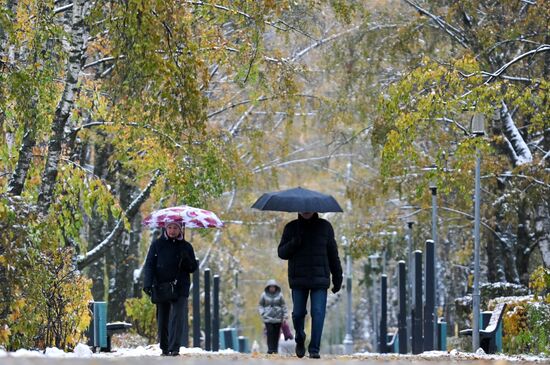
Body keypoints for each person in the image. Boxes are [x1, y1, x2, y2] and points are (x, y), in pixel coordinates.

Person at [278, 212, 343, 359]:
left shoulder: (325, 227)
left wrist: (337, 277)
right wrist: (295, 242)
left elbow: (333, 254)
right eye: (303, 209)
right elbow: (281, 253)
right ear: (298, 210)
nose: (306, 211)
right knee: (298, 313)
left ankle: (314, 349)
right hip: (298, 279)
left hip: (319, 279)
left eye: (309, 209)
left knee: (318, 312)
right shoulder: (291, 227)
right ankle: (300, 338)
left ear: (315, 209)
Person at [143, 220, 198, 356]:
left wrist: (186, 260)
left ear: (180, 230)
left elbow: (193, 268)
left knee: (178, 317)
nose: (172, 230)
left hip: (180, 287)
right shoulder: (157, 245)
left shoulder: (186, 246)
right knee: (162, 318)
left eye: (175, 228)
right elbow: (149, 264)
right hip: (161, 285)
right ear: (165, 229)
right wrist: (147, 284)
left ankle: (175, 348)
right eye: (170, 227)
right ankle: (165, 346)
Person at [257, 279, 288, 354]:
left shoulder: (280, 295)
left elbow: (284, 306)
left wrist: (285, 316)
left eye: (273, 287)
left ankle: (275, 349)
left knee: (276, 334)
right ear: (268, 287)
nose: (272, 288)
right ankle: (270, 349)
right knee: (270, 333)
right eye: (270, 287)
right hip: (268, 318)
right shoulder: (263, 295)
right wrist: (262, 312)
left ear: (276, 287)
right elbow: (260, 305)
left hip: (278, 319)